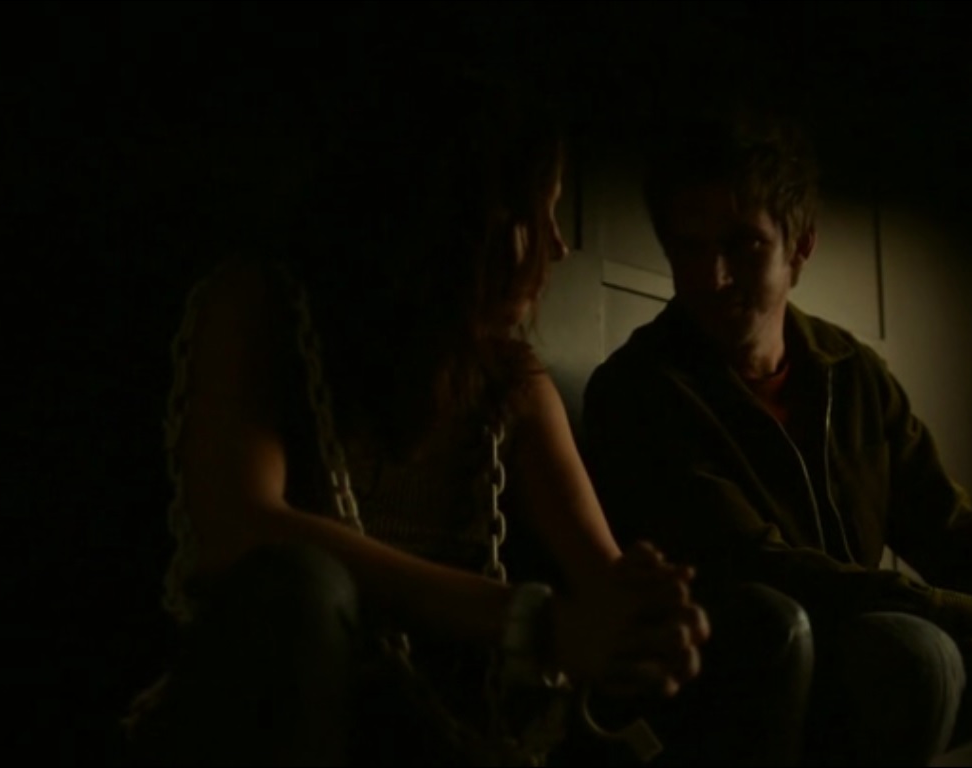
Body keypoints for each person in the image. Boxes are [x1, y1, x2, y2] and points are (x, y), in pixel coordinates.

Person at [121, 69, 716, 767]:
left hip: (437, 723)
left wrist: (649, 618)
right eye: (540, 214)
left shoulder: (514, 381)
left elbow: (602, 579)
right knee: (303, 590)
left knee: (763, 629)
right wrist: (531, 622)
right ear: (470, 219)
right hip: (268, 708)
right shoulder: (261, 307)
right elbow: (239, 528)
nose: (558, 247)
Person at [581, 101, 972, 766]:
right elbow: (764, 567)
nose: (713, 277)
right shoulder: (639, 390)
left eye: (743, 245)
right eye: (690, 248)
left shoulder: (847, 369)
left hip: (867, 652)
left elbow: (949, 527)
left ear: (800, 246)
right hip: (748, 678)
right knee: (918, 652)